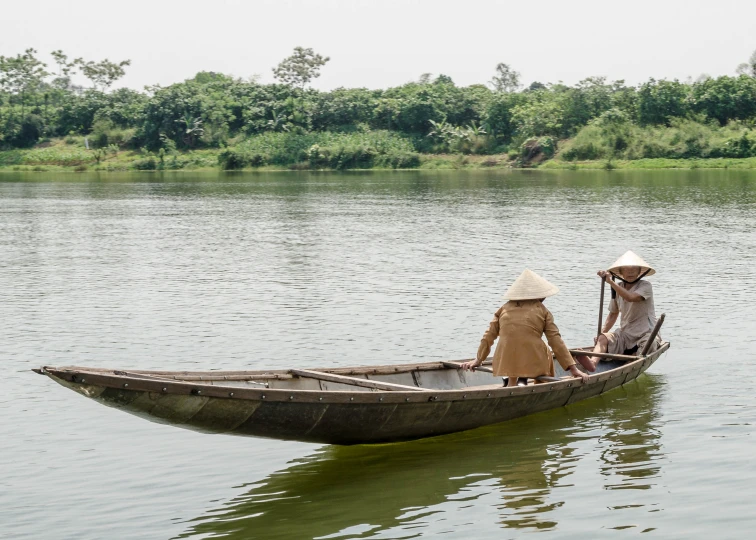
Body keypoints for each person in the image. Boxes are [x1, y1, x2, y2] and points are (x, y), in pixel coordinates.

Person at [462, 269, 588, 386]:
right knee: (546, 351)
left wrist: (479, 359)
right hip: (533, 361)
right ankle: (538, 383)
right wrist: (573, 369)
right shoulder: (542, 310)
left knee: (512, 347)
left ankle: (512, 384)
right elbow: (555, 341)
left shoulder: (503, 308)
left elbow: (488, 336)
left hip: (505, 362)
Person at [577, 250, 661, 373]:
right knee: (603, 339)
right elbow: (613, 314)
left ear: (639, 271)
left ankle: (629, 363)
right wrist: (602, 333)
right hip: (626, 334)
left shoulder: (645, 286)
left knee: (648, 346)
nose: (631, 272)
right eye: (626, 269)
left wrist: (610, 282)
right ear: (621, 272)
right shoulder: (618, 287)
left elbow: (630, 297)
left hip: (646, 333)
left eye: (634, 269)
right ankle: (593, 363)